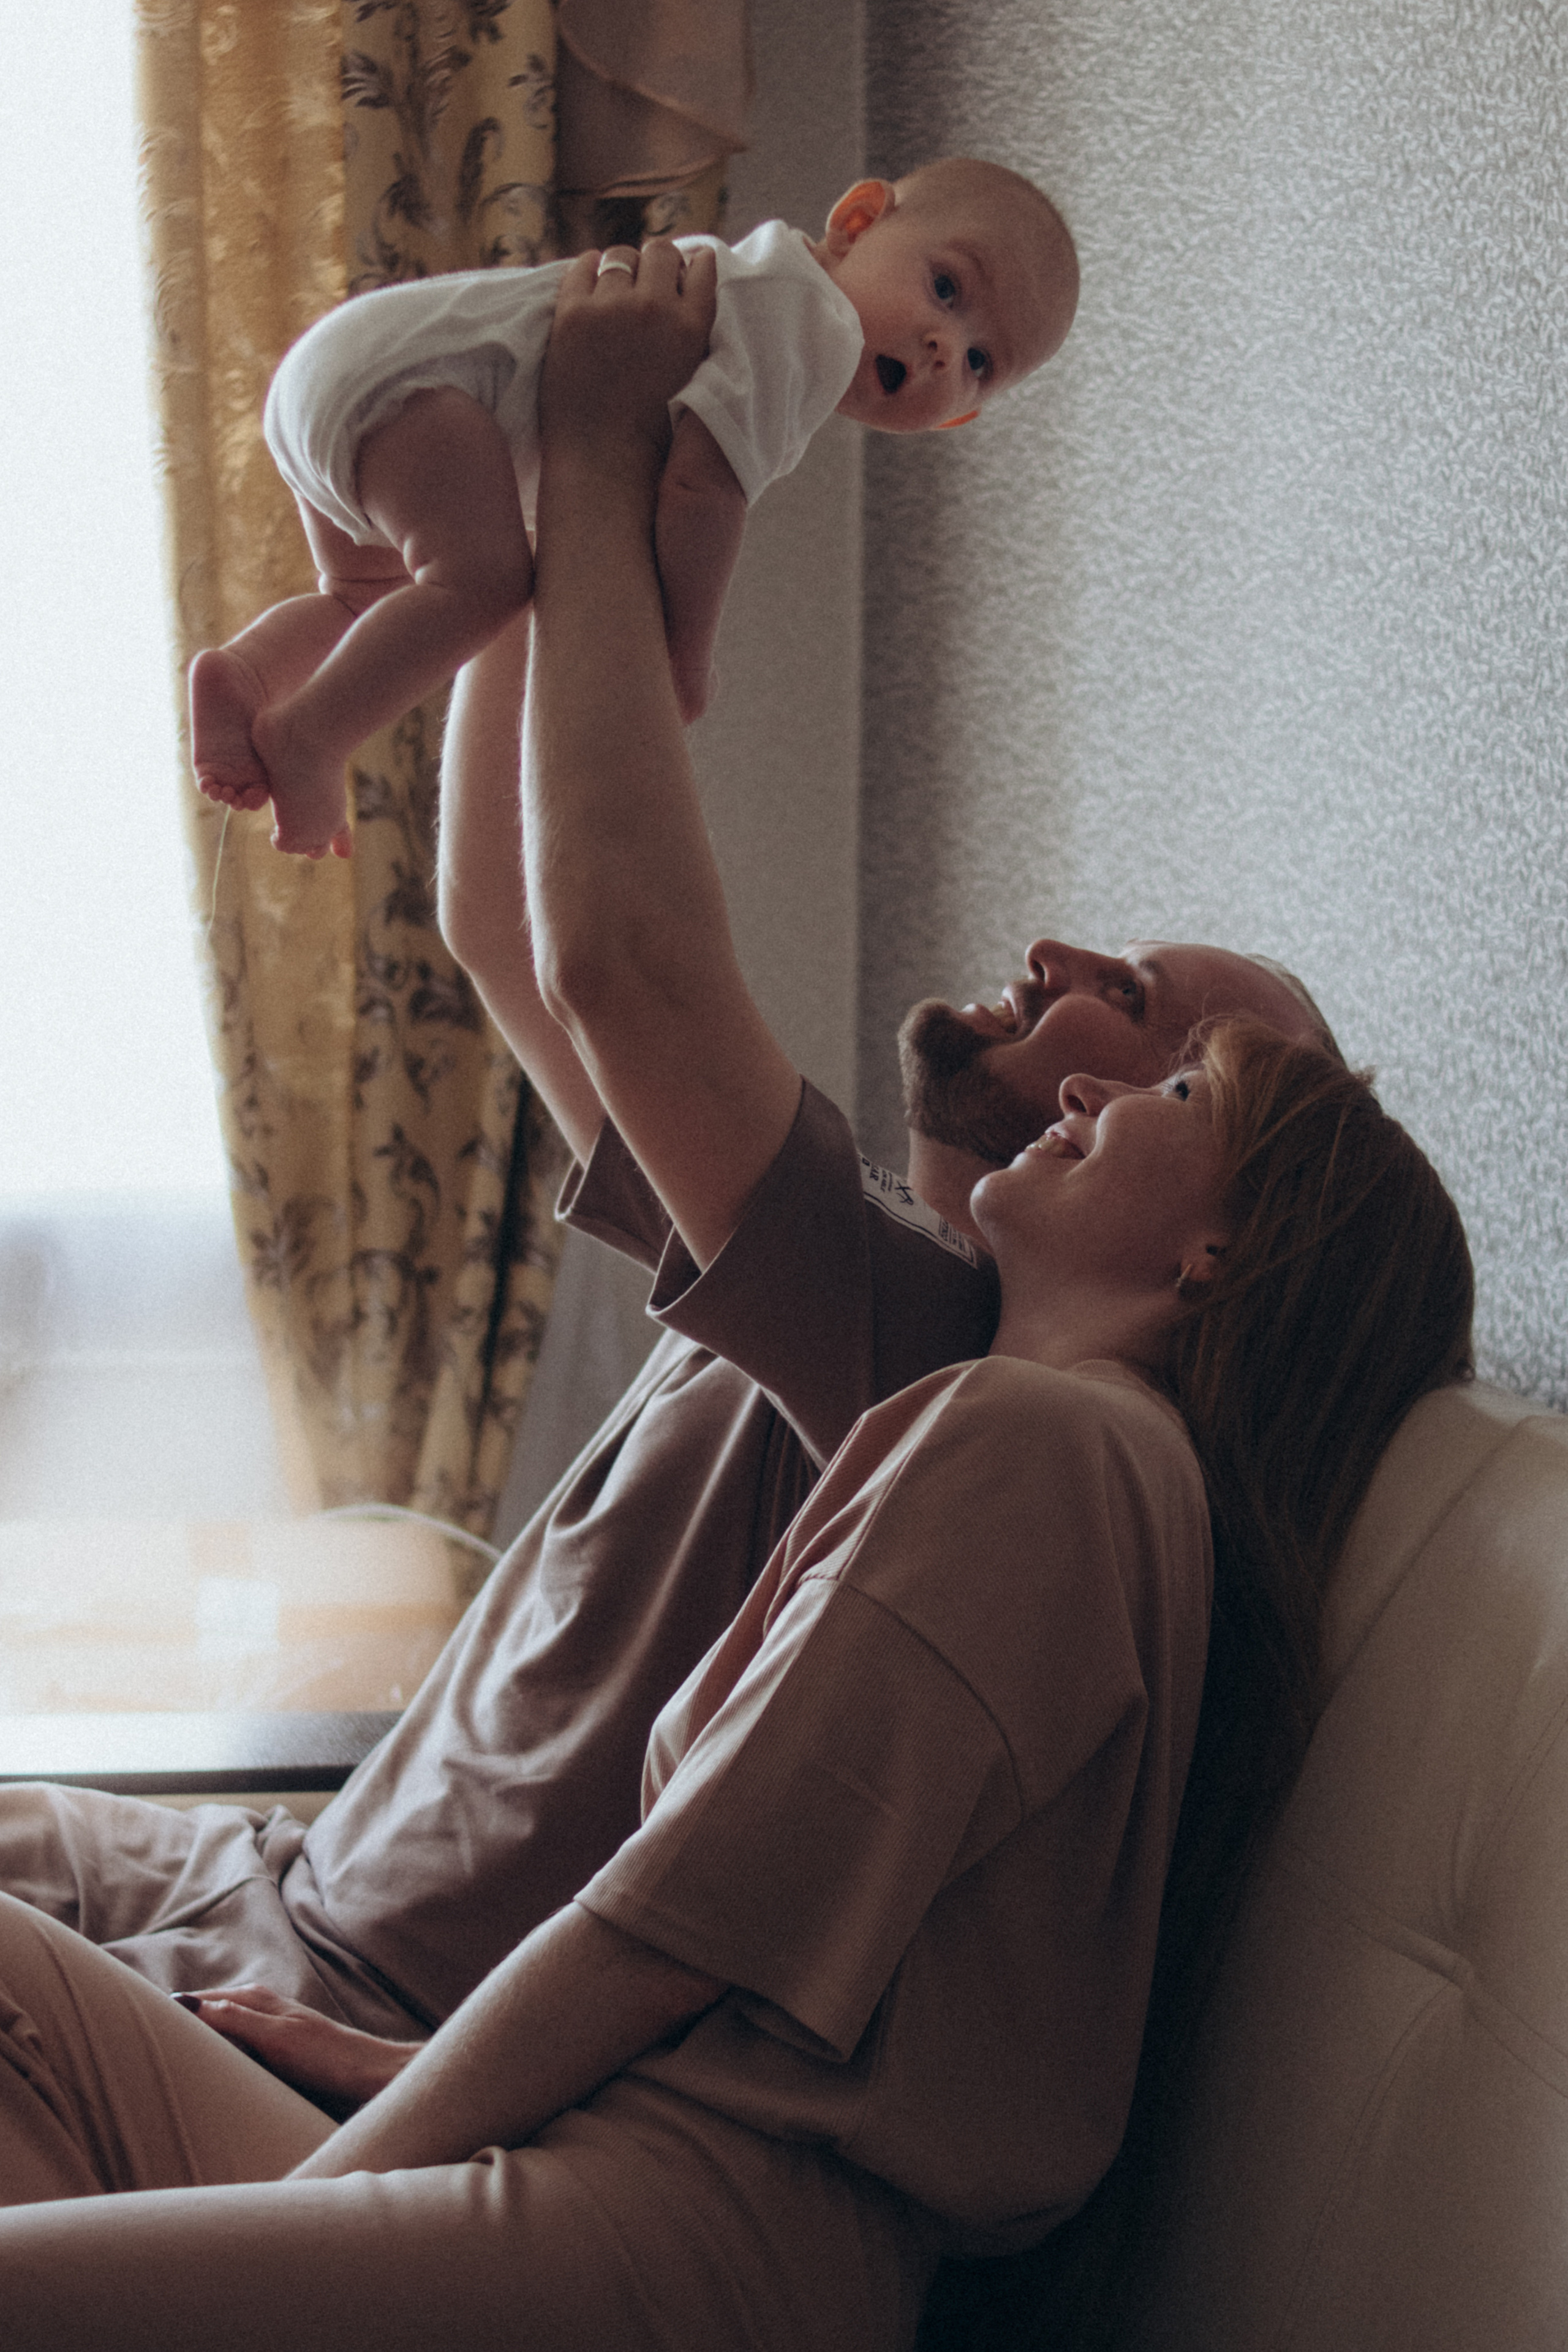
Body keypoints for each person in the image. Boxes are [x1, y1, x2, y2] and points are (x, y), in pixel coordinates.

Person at [0, 241, 1338, 2051]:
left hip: (333, 1991)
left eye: (1154, 1018)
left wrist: (592, 442)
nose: (1064, 963)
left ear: (1192, 1191)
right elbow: (497, 929)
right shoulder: (846, 1248)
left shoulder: (936, 1352)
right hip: (261, 1876)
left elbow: (618, 964)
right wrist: (546, 557)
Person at [0, 1018, 1476, 2352]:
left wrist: (324, 2191)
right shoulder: (1057, 1454)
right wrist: (398, 2072)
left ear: (1225, 1244)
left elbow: (665, 1940)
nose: (1086, 1084)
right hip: (628, 2177)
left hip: (685, 2256)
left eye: (1171, 1089)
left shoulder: (1056, 1452)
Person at [189, 156, 1079, 857]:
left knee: (364, 597)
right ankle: (309, 736)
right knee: (483, 582)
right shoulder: (811, 322)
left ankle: (252, 673)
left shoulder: (762, 289)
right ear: (855, 224)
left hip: (343, 365)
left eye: (978, 363)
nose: (941, 344)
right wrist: (685, 654)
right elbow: (701, 492)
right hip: (421, 389)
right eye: (947, 290)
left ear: (956, 419)